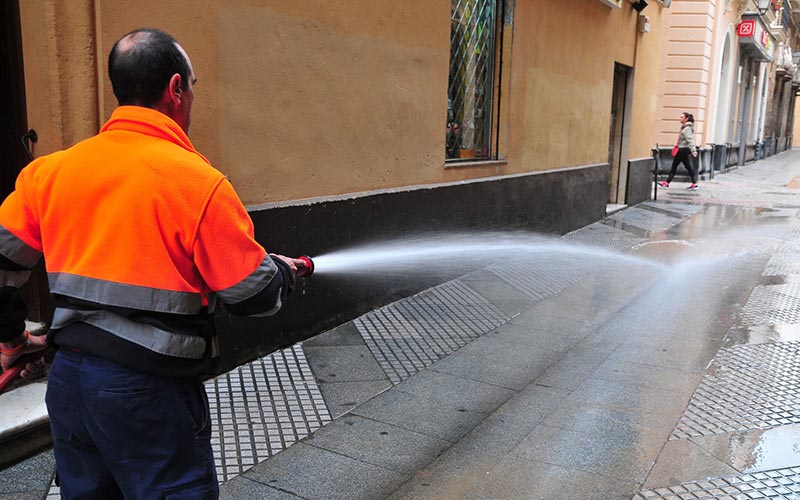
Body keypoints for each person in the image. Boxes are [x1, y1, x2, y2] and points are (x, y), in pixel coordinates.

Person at [0, 28, 308, 499]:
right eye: (193, 85)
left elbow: (1, 267)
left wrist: (13, 340)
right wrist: (282, 272)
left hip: (70, 385)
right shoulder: (197, 182)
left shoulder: (50, 172)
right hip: (147, 395)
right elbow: (253, 295)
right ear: (176, 89)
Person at [659, 112, 700, 191]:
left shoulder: (687, 128)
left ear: (686, 119)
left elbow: (690, 140)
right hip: (683, 149)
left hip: (683, 150)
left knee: (674, 166)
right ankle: (694, 183)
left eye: (681, 117)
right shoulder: (685, 127)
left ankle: (667, 182)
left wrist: (693, 150)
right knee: (688, 166)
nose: (680, 118)